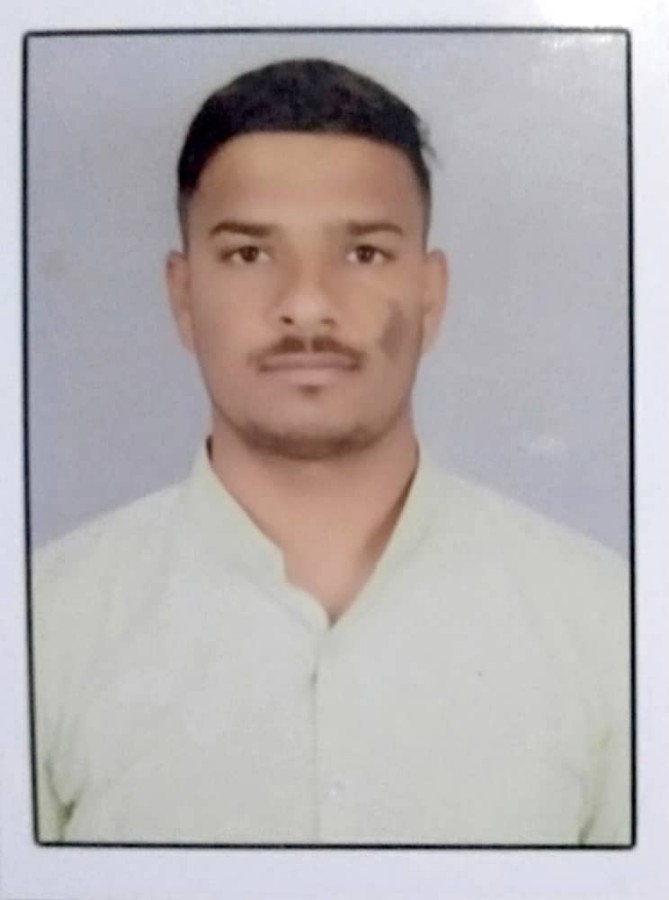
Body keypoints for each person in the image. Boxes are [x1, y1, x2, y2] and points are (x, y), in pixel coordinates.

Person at [32, 58, 631, 846]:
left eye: (363, 253)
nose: (307, 304)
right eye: (249, 254)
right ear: (182, 297)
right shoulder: (39, 628)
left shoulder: (612, 626)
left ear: (430, 295)